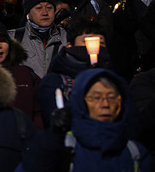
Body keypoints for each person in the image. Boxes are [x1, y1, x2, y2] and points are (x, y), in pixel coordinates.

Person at [20, 69, 151, 172]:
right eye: (96, 97)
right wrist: (50, 140)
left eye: (111, 97)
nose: (105, 104)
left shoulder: (134, 152)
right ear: (81, 102)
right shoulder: (62, 147)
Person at [8, 0, 67, 79]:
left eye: (49, 7)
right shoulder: (13, 38)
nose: (45, 12)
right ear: (28, 13)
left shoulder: (67, 37)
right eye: (38, 8)